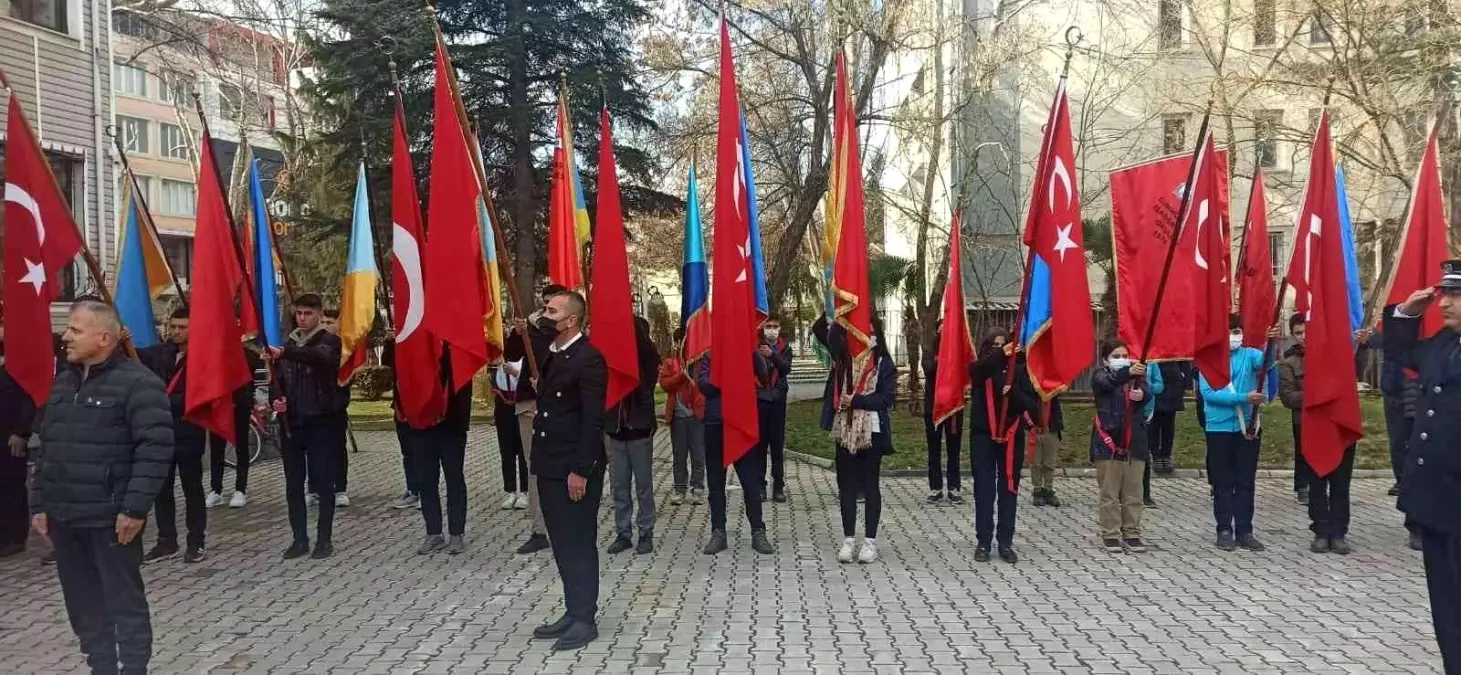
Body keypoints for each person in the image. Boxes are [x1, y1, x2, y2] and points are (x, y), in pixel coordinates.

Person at [31, 300, 173, 674]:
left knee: (123, 602)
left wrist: (135, 508)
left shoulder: (140, 384)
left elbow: (155, 449)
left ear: (105, 337)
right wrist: (38, 504)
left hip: (110, 520)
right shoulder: (63, 383)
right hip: (65, 519)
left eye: (75, 330)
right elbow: (46, 446)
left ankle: (133, 669)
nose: (66, 337)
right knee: (83, 605)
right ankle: (102, 667)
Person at [1386, 278, 1461, 673]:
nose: (1444, 303)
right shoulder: (1444, 344)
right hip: (1436, 502)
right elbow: (1399, 351)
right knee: (1447, 609)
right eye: (1443, 294)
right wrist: (1406, 313)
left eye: (1455, 295)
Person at [530, 290, 608, 652]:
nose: (545, 315)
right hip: (549, 463)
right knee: (561, 543)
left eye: (551, 311)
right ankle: (571, 609)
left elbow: (593, 420)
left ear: (571, 320)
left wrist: (581, 470)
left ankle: (584, 618)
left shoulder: (588, 359)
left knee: (578, 543)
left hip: (573, 469)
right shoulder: (555, 353)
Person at [266, 294, 344, 559]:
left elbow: (319, 359)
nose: (302, 318)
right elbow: (277, 382)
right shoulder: (288, 344)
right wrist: (275, 400)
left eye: (308, 313)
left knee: (322, 483)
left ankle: (325, 539)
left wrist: (286, 352)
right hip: (293, 425)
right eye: (298, 313)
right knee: (293, 485)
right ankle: (299, 539)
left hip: (321, 423)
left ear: (319, 314)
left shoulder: (329, 341)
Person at [1278, 313, 1360, 555]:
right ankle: (1321, 531)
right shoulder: (1289, 363)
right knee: (1316, 483)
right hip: (1310, 428)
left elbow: (1357, 371)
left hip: (1339, 427)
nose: (1304, 337)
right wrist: (1318, 393)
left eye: (1307, 331)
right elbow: (1288, 397)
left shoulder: (1339, 357)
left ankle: (1339, 532)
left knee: (1340, 484)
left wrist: (1361, 342)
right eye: (1299, 333)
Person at [137, 309, 211, 564]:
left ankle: (196, 541)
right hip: (161, 432)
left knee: (192, 489)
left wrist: (162, 401)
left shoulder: (202, 357)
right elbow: (135, 356)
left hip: (188, 431)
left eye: (182, 327)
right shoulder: (162, 352)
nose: (176, 331)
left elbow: (198, 396)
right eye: (173, 326)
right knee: (162, 489)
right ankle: (166, 541)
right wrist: (123, 337)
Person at [822, 317, 896, 564]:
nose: (868, 337)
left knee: (870, 485)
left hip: (872, 432)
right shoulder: (844, 360)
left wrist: (858, 401)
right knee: (847, 486)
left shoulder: (883, 363)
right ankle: (849, 539)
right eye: (863, 332)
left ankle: (870, 541)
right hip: (845, 429)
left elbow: (886, 399)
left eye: (873, 332)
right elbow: (829, 336)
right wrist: (837, 312)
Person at [1199, 316, 1275, 552]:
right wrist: (1243, 398)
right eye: (1229, 331)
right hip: (1219, 428)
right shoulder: (1209, 359)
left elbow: (1267, 364)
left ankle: (1245, 530)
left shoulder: (1250, 355)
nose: (1234, 335)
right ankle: (1223, 529)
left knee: (1245, 481)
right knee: (1223, 482)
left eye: (1237, 330)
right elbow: (1209, 393)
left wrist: (1272, 342)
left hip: (1248, 428)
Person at [967, 328, 1039, 564]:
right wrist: (1000, 356)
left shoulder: (1019, 371)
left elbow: (1032, 406)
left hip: (1011, 437)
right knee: (984, 490)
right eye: (994, 345)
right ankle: (983, 541)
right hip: (983, 436)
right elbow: (976, 371)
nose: (1001, 348)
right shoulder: (983, 369)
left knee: (1008, 489)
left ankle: (1005, 542)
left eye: (1004, 344)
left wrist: (1014, 392)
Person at [697, 345, 774, 556]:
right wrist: (724, 375)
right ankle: (718, 532)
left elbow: (763, 372)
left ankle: (758, 531)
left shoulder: (745, 349)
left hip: (741, 425)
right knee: (715, 483)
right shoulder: (710, 355)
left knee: (751, 481)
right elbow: (703, 384)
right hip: (715, 424)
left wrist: (751, 349)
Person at [505, 284, 561, 555]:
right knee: (535, 466)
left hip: (561, 405)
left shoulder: (566, 329)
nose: (548, 309)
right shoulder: (530, 326)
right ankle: (538, 529)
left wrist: (532, 331)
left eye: (554, 305)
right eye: (545, 303)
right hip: (530, 403)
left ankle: (565, 525)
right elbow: (512, 355)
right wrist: (518, 333)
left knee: (562, 464)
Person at [1090, 341, 1162, 553]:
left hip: (1135, 443)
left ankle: (1132, 533)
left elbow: (1147, 393)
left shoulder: (1137, 377)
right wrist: (1128, 372)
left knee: (1134, 493)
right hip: (1109, 442)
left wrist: (1142, 396)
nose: (1121, 358)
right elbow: (1108, 383)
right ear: (1106, 359)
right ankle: (1110, 534)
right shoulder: (1100, 376)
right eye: (1116, 355)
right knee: (1110, 493)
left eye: (1124, 354)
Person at [1365, 324, 1425, 550]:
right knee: (1401, 455)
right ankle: (1414, 521)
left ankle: (1423, 522)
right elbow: (1380, 340)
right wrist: (1369, 337)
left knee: (1424, 459)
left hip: (1424, 395)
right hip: (1397, 394)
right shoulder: (1395, 319)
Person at [606, 317, 662, 555]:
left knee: (643, 485)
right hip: (614, 428)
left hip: (639, 427)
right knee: (619, 485)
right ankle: (623, 533)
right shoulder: (608, 356)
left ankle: (646, 531)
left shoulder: (647, 359)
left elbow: (649, 370)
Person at [415, 351, 473, 555]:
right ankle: (433, 532)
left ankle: (456, 533)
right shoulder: (419, 343)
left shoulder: (457, 349)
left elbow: (463, 385)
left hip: (452, 426)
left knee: (454, 478)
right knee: (426, 479)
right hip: (423, 424)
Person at [0, 315, 39, 558]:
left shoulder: (18, 364)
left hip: (11, 435)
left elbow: (28, 400)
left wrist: (21, 433)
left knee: (11, 486)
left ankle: (14, 536)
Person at [206, 351, 261, 510]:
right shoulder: (214, 350)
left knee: (241, 448)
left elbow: (256, 368)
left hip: (240, 406)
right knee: (216, 450)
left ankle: (240, 489)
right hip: (218, 406)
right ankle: (216, 489)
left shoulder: (247, 353)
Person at [659, 328, 706, 505]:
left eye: (685, 341)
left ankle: (698, 488)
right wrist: (681, 376)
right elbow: (664, 384)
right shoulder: (670, 363)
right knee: (679, 455)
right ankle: (679, 489)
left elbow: (705, 383)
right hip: (678, 416)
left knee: (698, 454)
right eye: (679, 342)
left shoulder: (699, 362)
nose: (682, 345)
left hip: (696, 415)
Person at [380, 339, 425, 510]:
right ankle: (412, 489)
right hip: (401, 405)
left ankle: (425, 491)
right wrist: (389, 342)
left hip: (420, 404)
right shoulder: (396, 342)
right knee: (407, 452)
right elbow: (387, 365)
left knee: (422, 452)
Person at [922, 324, 963, 505]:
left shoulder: (959, 355)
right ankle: (936, 488)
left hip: (954, 408)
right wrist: (944, 358)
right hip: (934, 408)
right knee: (934, 450)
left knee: (954, 450)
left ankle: (954, 487)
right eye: (941, 331)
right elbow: (929, 371)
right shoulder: (929, 352)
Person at [756, 316, 793, 502]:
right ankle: (760, 486)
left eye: (775, 327)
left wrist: (773, 355)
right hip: (761, 399)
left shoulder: (785, 348)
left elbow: (786, 369)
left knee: (777, 446)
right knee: (760, 446)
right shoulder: (756, 347)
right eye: (768, 326)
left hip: (778, 400)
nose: (771, 329)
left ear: (779, 329)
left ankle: (778, 486)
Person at [318, 308, 350, 508]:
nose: (326, 326)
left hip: (336, 407)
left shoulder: (343, 350)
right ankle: (314, 488)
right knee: (315, 451)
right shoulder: (310, 346)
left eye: (330, 322)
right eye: (323, 322)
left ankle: (340, 488)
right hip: (313, 408)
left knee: (337, 449)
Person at [492, 356, 529, 511]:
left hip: (522, 401)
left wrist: (515, 373)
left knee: (523, 448)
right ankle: (511, 490)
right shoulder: (499, 354)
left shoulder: (526, 351)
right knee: (506, 448)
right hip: (503, 405)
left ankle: (525, 491)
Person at [1029, 396, 1065, 507]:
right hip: (1033, 429)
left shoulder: (1053, 392)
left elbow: (1057, 410)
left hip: (1051, 429)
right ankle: (1037, 490)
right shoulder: (1030, 389)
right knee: (1035, 462)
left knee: (1049, 463)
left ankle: (1048, 489)